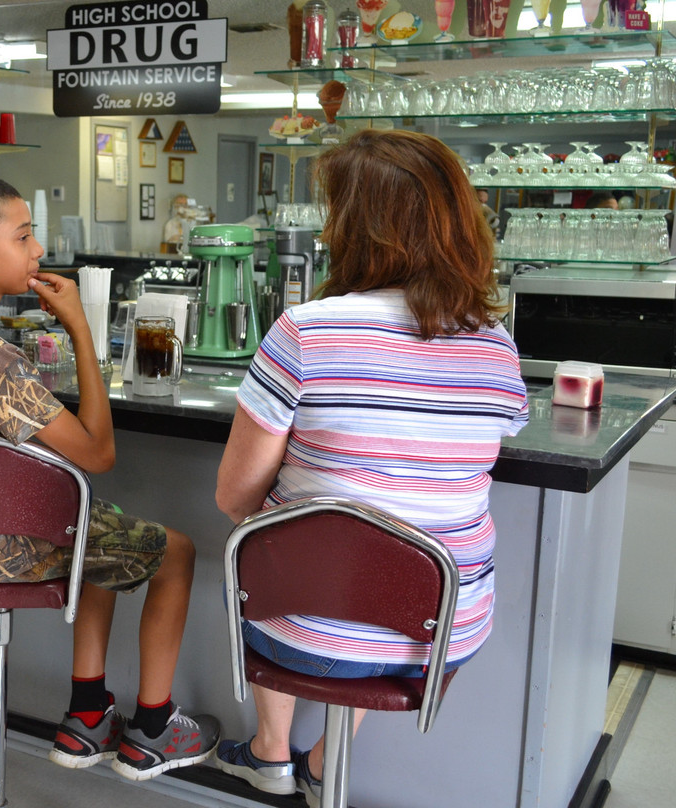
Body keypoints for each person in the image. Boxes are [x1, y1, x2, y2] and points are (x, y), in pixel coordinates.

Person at [211, 129, 529, 806]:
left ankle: (270, 751)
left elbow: (233, 496)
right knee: (383, 556)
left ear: (354, 228)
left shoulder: (306, 330)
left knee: (278, 543)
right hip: (442, 631)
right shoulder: (498, 347)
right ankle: (324, 763)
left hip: (306, 630)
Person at [0, 175, 220, 783]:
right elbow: (98, 452)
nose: (38, 250)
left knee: (101, 526)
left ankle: (89, 713)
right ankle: (152, 727)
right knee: (174, 552)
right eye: (24, 236)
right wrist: (81, 329)